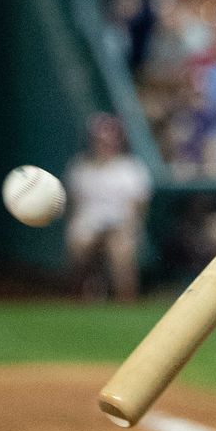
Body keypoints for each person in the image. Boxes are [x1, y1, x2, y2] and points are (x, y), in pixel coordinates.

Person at [65, 113, 153, 302]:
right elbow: (75, 208)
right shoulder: (79, 168)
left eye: (110, 140)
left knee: (121, 248)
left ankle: (126, 302)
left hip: (120, 227)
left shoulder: (131, 169)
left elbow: (137, 210)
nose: (105, 145)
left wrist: (124, 230)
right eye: (100, 140)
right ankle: (79, 298)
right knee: (80, 241)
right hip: (89, 226)